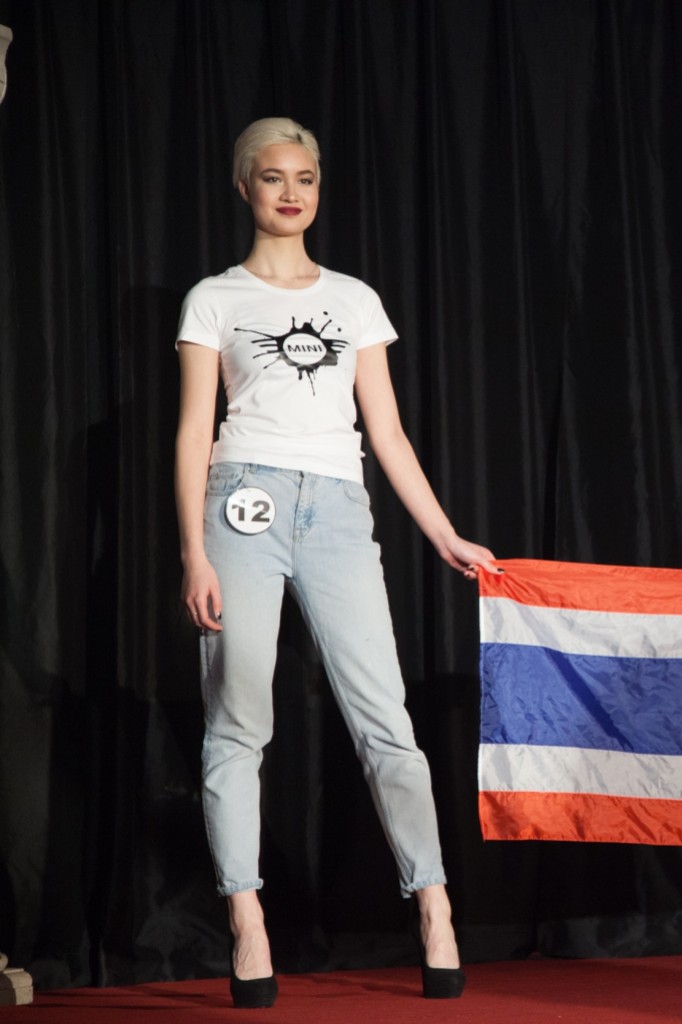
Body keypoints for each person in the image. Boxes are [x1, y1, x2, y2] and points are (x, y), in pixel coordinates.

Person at [174, 117, 497, 1006]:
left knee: (385, 719)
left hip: (337, 508)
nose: (291, 193)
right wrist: (194, 552)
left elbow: (385, 432)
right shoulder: (214, 297)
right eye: (273, 177)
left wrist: (443, 533)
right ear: (244, 185)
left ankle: (434, 906)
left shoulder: (354, 298)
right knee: (239, 720)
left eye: (305, 178)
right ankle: (247, 919)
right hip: (241, 501)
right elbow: (195, 430)